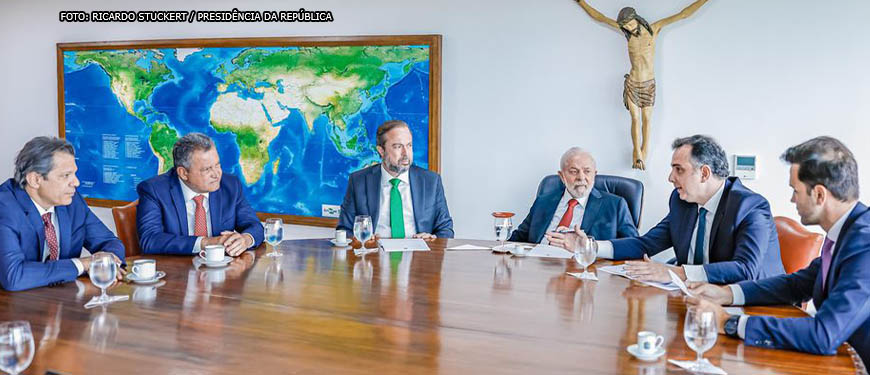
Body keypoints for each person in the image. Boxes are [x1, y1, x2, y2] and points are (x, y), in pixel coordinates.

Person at [688, 136, 870, 365]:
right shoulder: (847, 232)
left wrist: (729, 323)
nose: (792, 199)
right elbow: (796, 285)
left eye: (796, 190)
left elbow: (824, 334)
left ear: (819, 195)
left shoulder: (865, 243)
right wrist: (727, 293)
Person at [568, 135, 783, 284]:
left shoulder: (750, 207)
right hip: (697, 300)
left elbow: (745, 270)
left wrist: (676, 273)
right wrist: (591, 247)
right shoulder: (682, 202)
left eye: (678, 170)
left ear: (704, 174)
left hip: (754, 307)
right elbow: (647, 243)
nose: (671, 178)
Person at [575, 0, 709, 169]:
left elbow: (683, 14)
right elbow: (600, 17)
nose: (629, 28)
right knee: (635, 118)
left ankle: (643, 152)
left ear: (636, 18)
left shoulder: (654, 29)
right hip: (632, 82)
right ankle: (637, 153)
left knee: (646, 119)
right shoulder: (627, 34)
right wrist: (581, 2)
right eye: (625, 26)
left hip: (648, 84)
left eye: (630, 24)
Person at [0, 137, 125, 291]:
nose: (76, 183)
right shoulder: (4, 208)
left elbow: (109, 242)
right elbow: (14, 277)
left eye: (74, 174)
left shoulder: (71, 202)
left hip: (60, 301)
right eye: (65, 176)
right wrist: (82, 264)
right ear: (35, 179)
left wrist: (108, 263)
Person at [137, 133, 264, 256]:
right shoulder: (154, 190)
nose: (216, 174)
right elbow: (150, 240)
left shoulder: (230, 186)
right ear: (183, 173)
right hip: (176, 272)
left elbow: (255, 226)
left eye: (217, 165)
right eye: (207, 169)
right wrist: (206, 242)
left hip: (222, 272)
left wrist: (245, 239)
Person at [337, 120, 453, 239]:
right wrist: (360, 240)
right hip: (374, 253)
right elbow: (344, 230)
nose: (405, 153)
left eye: (409, 145)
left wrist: (432, 239)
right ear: (381, 151)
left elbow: (445, 229)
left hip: (418, 254)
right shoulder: (358, 181)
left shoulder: (431, 181)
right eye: (398, 146)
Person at [511, 147, 637, 245]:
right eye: (573, 171)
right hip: (539, 268)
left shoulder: (615, 205)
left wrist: (588, 246)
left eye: (587, 171)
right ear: (562, 176)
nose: (581, 177)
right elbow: (518, 238)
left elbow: (634, 246)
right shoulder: (543, 201)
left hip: (585, 270)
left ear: (595, 174)